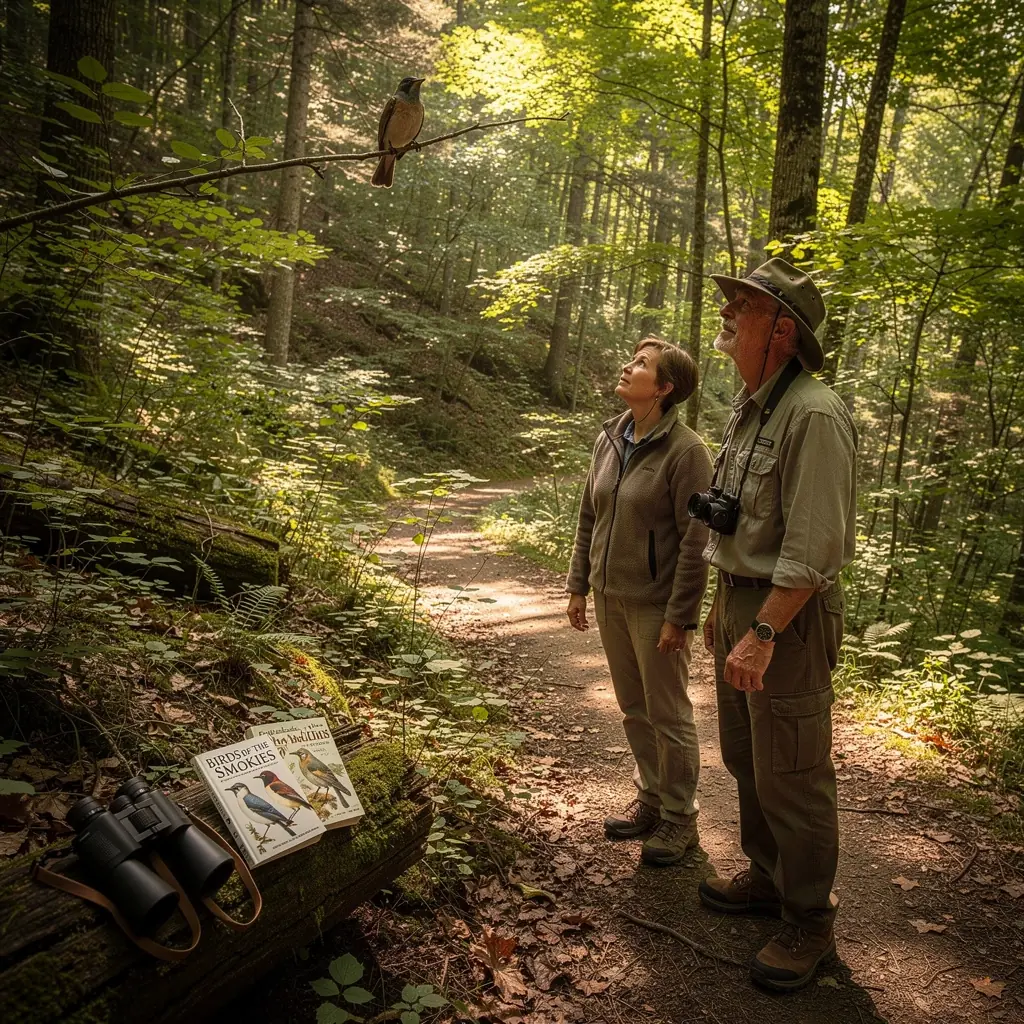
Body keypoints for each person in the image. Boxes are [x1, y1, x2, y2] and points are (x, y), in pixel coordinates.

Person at [694, 258, 857, 992]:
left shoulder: (813, 413)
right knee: (746, 757)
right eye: (731, 299)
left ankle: (808, 920)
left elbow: (814, 544)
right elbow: (736, 518)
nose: (729, 312)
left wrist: (762, 632)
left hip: (783, 617)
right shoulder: (751, 405)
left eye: (745, 305)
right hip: (741, 599)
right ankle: (767, 877)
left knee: (793, 773)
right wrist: (720, 610)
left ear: (782, 331)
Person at [566, 337, 712, 866]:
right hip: (609, 598)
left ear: (665, 387)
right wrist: (579, 584)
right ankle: (650, 800)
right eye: (631, 359)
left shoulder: (688, 451)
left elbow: (697, 543)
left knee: (668, 713)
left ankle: (680, 818)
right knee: (633, 710)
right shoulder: (611, 437)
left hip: (656, 606)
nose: (628, 367)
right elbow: (590, 515)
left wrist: (680, 617)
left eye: (642, 365)